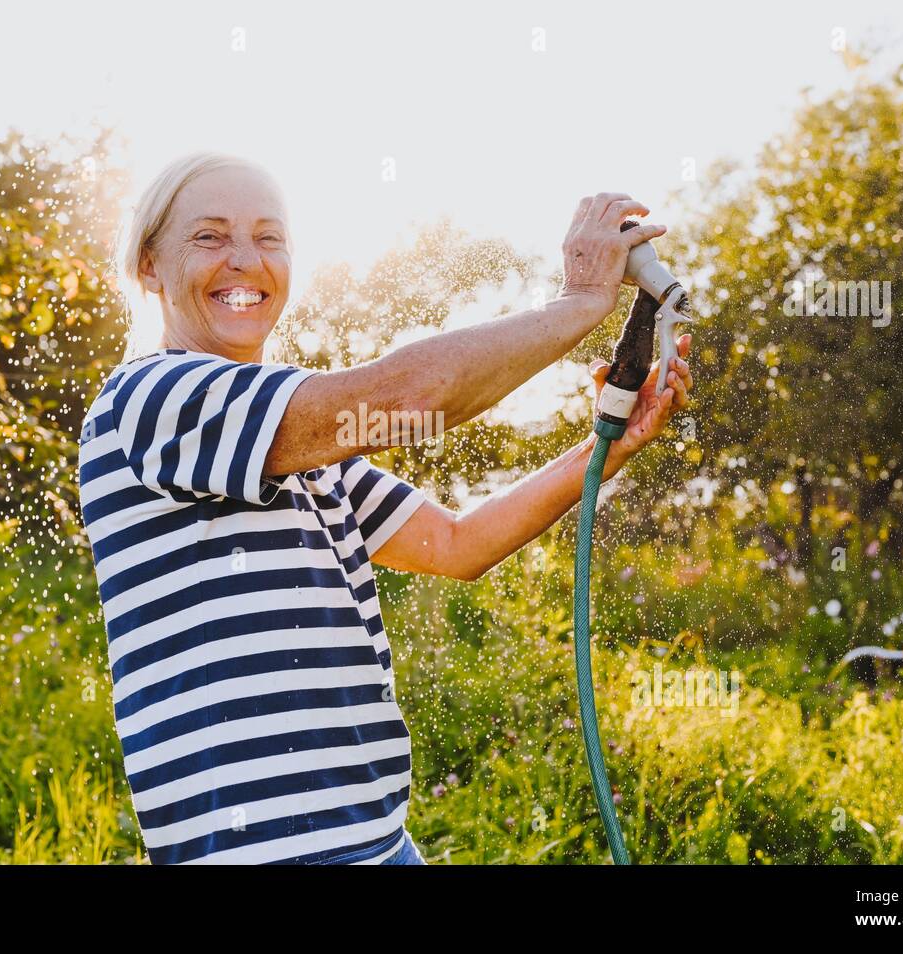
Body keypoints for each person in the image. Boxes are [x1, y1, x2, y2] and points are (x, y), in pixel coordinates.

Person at [77, 152, 693, 864]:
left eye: (269, 238)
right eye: (210, 237)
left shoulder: (303, 450)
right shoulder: (152, 399)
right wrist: (578, 306)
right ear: (150, 266)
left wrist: (604, 451)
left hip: (378, 846)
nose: (245, 261)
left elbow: (457, 544)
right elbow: (407, 400)